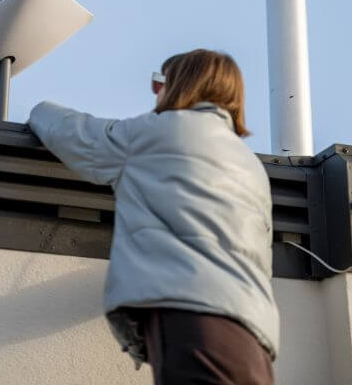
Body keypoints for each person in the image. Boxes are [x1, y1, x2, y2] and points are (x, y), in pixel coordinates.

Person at [27, 49, 278, 384]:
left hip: (195, 324)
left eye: (160, 82)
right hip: (252, 339)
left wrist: (37, 109)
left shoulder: (156, 133)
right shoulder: (250, 165)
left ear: (180, 85)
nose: (155, 92)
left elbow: (80, 136)